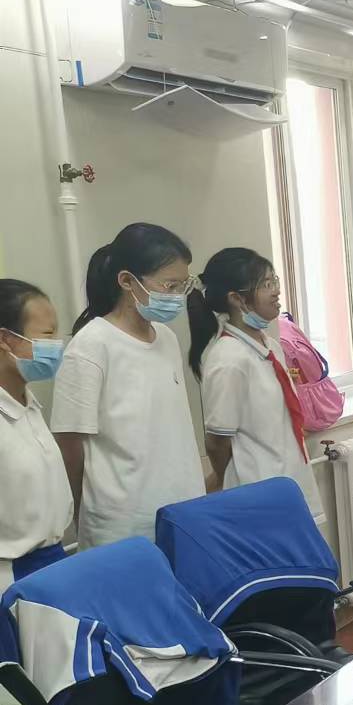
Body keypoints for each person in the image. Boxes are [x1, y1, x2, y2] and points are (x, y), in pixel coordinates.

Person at [52, 224, 205, 547]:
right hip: (123, 524)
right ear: (126, 281)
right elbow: (69, 443)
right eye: (170, 285)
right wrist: (81, 514)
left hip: (183, 510)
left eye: (184, 285)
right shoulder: (91, 345)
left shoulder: (166, 338)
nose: (178, 296)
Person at [188, 248, 323, 520]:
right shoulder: (228, 359)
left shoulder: (270, 345)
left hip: (289, 479)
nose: (276, 292)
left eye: (275, 281)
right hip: (258, 492)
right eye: (266, 285)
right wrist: (228, 476)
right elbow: (216, 441)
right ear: (236, 299)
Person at [0, 280, 74, 589]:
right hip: (14, 575)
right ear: (5, 339)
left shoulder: (28, 405)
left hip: (53, 560)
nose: (56, 345)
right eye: (47, 334)